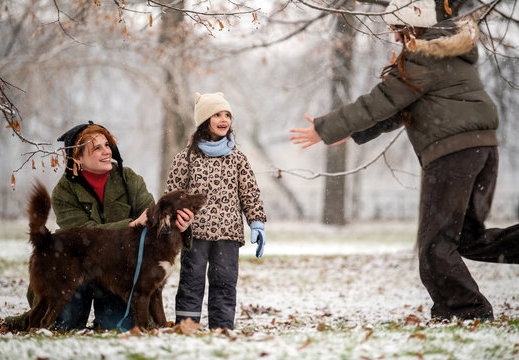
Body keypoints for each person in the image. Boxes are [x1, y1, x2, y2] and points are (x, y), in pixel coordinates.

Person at [289, 0, 519, 321]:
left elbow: (380, 101)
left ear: (414, 26)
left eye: (398, 30)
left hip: (451, 155)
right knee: (468, 238)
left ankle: (467, 313)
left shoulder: (423, 55)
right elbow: (399, 109)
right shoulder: (448, 54)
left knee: (434, 247)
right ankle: (460, 309)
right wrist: (353, 133)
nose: (395, 38)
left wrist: (324, 128)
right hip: (482, 150)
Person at [5, 121, 194, 331]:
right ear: (77, 158)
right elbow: (82, 231)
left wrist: (179, 225)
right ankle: (26, 321)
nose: (107, 151)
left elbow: (155, 220)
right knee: (64, 323)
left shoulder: (129, 178)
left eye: (107, 145)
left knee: (116, 326)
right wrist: (130, 224)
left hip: (117, 273)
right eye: (97, 148)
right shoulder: (64, 191)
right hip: (73, 263)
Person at [165, 92, 267, 330]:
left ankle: (222, 328)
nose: (224, 119)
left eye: (227, 115)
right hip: (195, 234)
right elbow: (173, 194)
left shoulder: (238, 159)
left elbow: (249, 193)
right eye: (217, 114)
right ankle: (187, 327)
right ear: (204, 120)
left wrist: (257, 223)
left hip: (228, 235)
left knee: (224, 282)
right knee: (191, 282)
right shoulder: (187, 158)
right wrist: (176, 222)